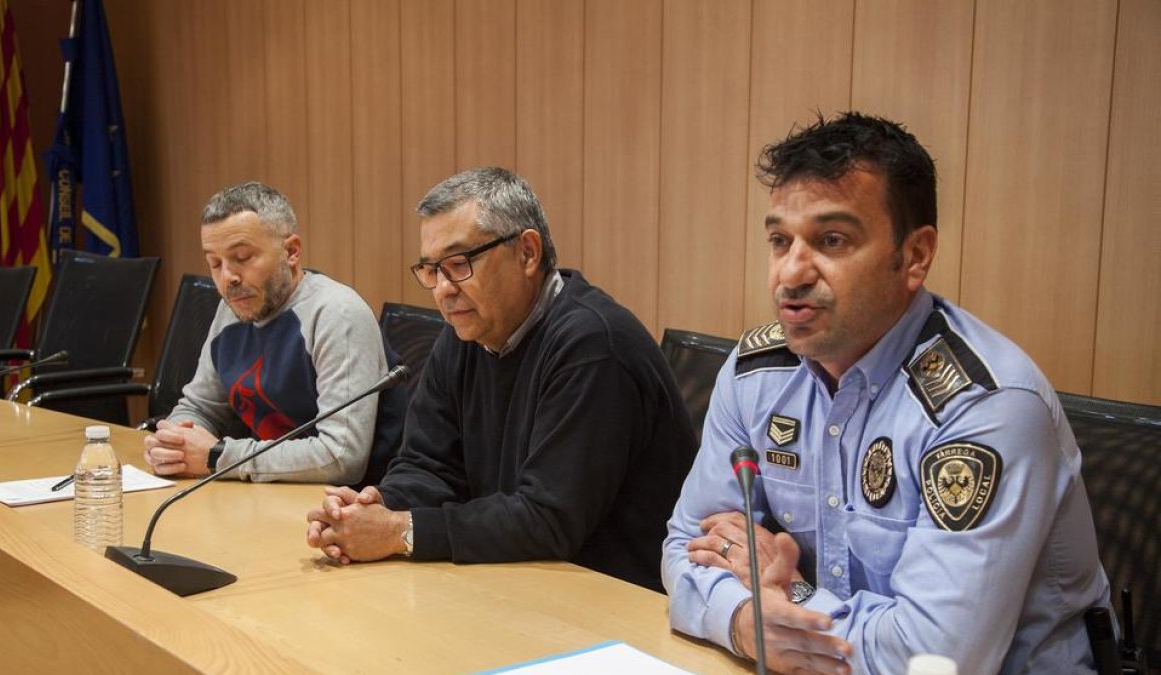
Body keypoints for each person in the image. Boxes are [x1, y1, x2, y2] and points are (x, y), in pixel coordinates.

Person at [662, 113, 1112, 674]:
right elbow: (685, 546)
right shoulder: (756, 373)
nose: (791, 273)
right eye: (780, 240)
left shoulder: (985, 406)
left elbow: (934, 659)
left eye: (832, 239)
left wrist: (791, 600)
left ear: (916, 256)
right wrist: (741, 620)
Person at [304, 167, 697, 591]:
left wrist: (400, 531)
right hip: (514, 580)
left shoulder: (594, 346)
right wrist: (377, 505)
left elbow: (548, 519)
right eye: (431, 270)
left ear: (527, 253)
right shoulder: (466, 335)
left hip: (611, 600)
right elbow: (429, 465)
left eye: (458, 264)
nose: (442, 290)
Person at [143, 181, 403, 484]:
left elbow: (341, 457)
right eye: (215, 263)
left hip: (355, 503)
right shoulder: (232, 309)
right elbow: (200, 407)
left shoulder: (337, 314)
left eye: (242, 258)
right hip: (269, 493)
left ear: (291, 251)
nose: (228, 278)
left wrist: (218, 456)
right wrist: (172, 444)